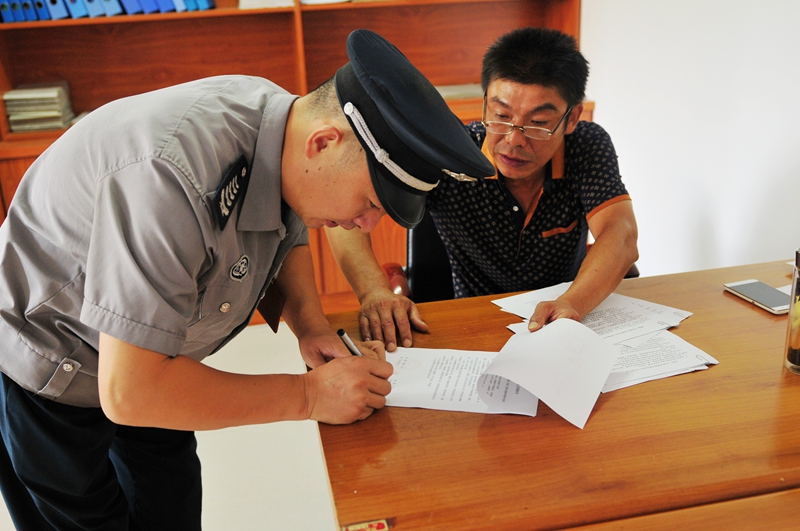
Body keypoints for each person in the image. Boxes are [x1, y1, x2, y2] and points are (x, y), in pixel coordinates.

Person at [0, 30, 494, 529]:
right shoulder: (169, 177)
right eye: (370, 202)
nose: (366, 225)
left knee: (170, 508)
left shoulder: (283, 129)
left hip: (157, 352)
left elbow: (284, 227)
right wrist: (309, 396)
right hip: (51, 361)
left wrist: (310, 324)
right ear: (324, 143)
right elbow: (131, 392)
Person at [326, 27, 639, 351]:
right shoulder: (450, 154)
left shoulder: (585, 146)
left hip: (562, 322)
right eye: (501, 115)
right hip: (473, 324)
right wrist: (373, 290)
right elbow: (344, 210)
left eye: (538, 123)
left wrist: (572, 303)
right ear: (485, 103)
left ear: (571, 118)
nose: (514, 140)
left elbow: (621, 234)